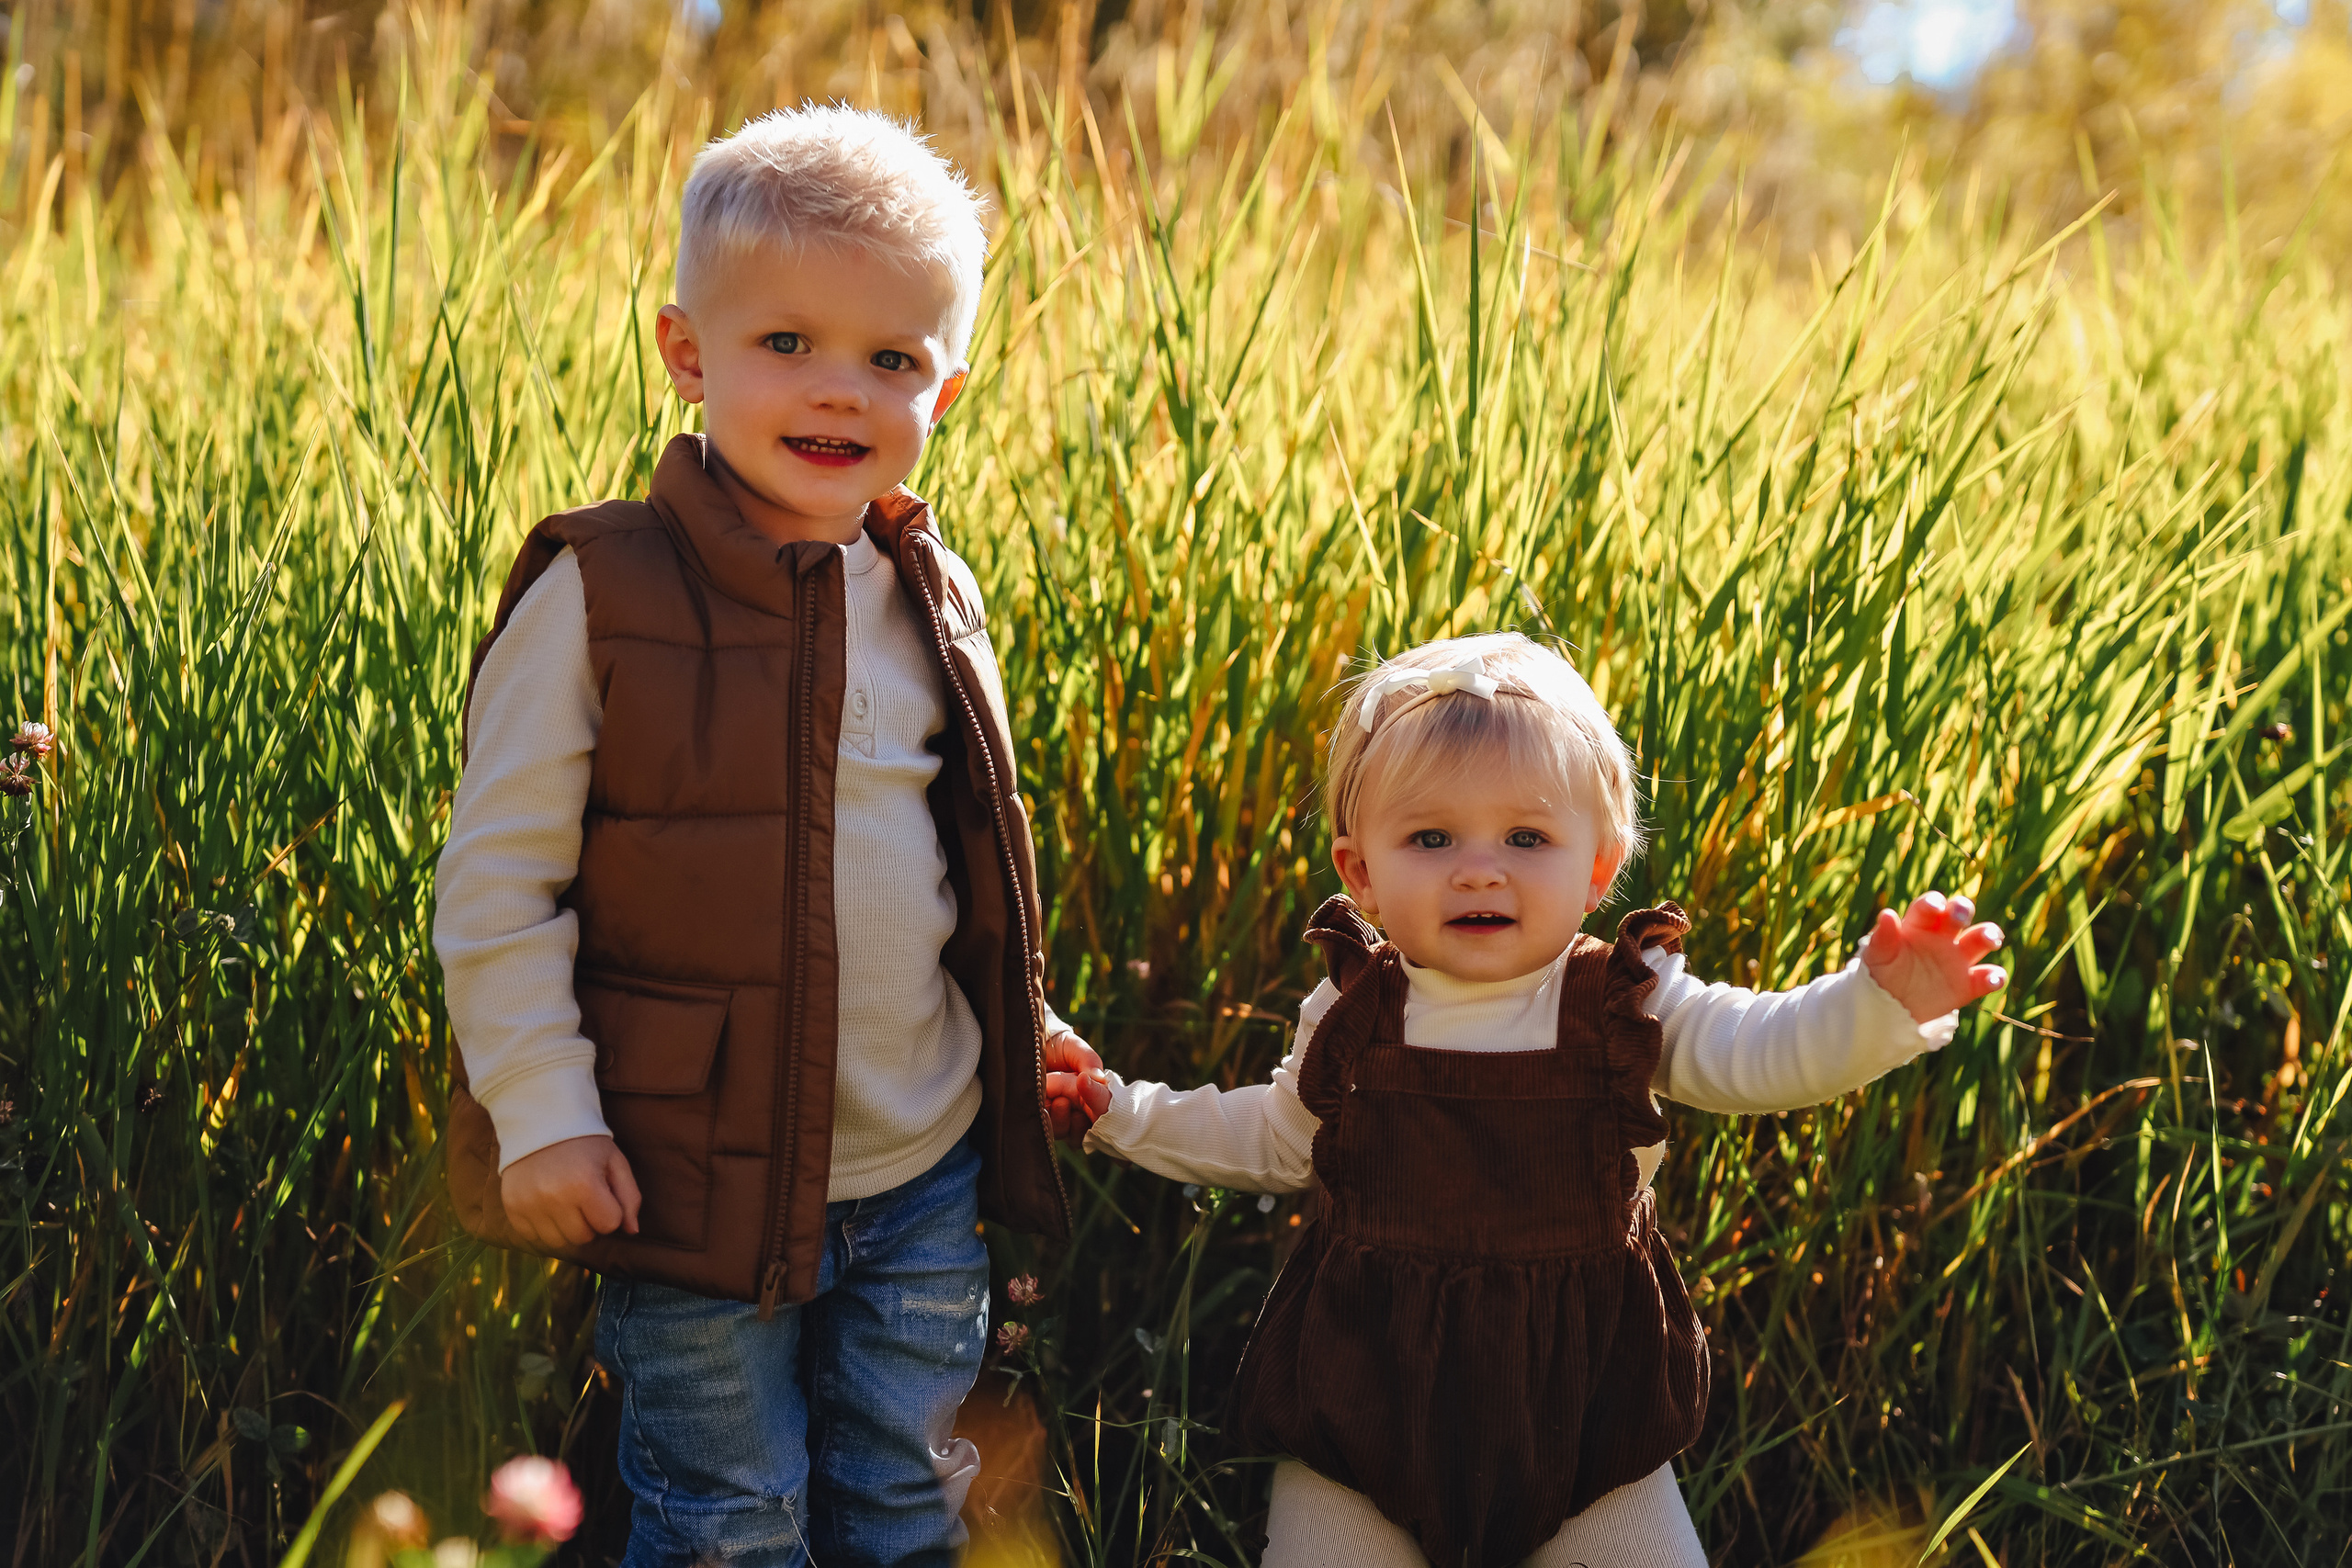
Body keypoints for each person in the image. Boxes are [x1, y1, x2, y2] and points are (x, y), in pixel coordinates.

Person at [433, 104, 1102, 1568]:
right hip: (689, 1177)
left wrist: (1016, 1016)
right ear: (686, 352)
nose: (837, 390)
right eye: (784, 343)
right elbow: (500, 881)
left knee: (908, 1512)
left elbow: (948, 860)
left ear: (949, 383)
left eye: (891, 358)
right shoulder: (603, 591)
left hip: (919, 1170)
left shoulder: (930, 591)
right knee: (727, 1521)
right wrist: (544, 1108)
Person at [1047, 632, 2007, 1568]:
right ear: (1361, 874)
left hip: (1586, 1402)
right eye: (1430, 837)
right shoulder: (1354, 1011)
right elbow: (1269, 1135)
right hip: (1365, 1391)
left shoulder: (1624, 1003)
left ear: (1599, 866)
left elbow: (1761, 1053)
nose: (1479, 867)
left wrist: (1876, 1003)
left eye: (1526, 836)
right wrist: (1117, 1111)